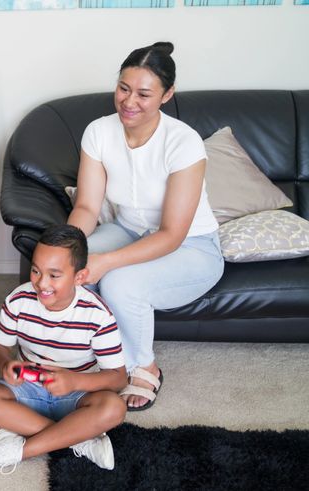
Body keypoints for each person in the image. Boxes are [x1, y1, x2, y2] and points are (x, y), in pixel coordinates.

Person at [67, 42, 225, 411]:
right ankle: (84, 353)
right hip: (127, 229)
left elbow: (171, 234)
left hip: (192, 247)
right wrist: (67, 246)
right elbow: (88, 205)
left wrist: (109, 262)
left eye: (143, 94)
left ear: (167, 95)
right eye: (123, 88)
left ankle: (142, 365)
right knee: (75, 266)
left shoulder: (183, 142)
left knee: (120, 281)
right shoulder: (98, 132)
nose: (128, 102)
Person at [0, 225, 127, 473]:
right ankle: (79, 438)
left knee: (114, 408)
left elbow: (118, 378)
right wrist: (5, 364)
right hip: (28, 386)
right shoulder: (18, 300)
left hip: (76, 393)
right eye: (35, 271)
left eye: (54, 275)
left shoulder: (98, 315)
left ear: (80, 277)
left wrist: (73, 382)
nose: (42, 283)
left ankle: (20, 450)